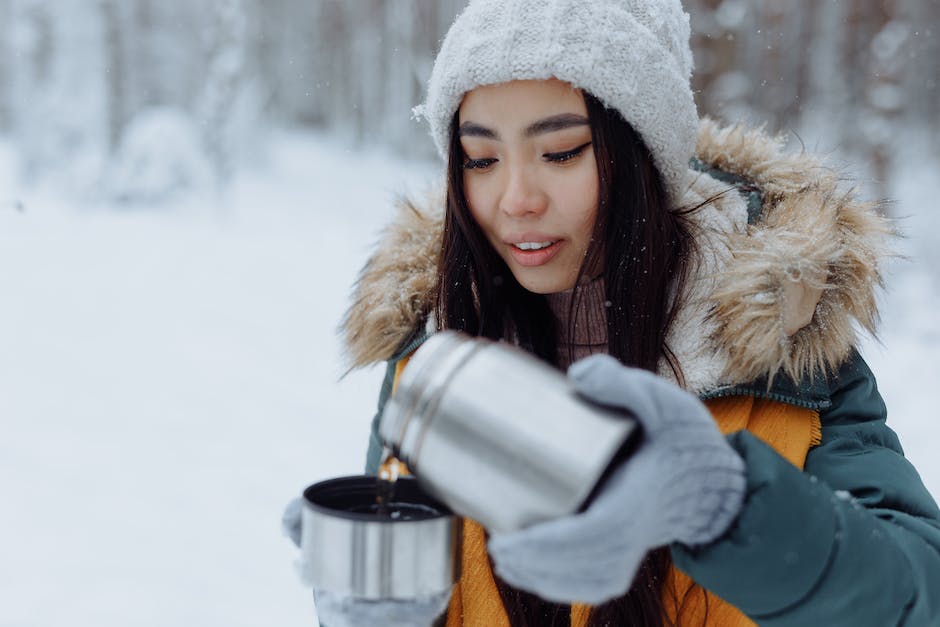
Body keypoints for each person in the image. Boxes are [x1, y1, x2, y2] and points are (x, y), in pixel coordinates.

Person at [289, 0, 940, 625]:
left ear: (641, 154)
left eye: (561, 150)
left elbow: (915, 594)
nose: (515, 198)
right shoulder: (434, 346)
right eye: (480, 158)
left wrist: (732, 508)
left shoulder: (782, 351)